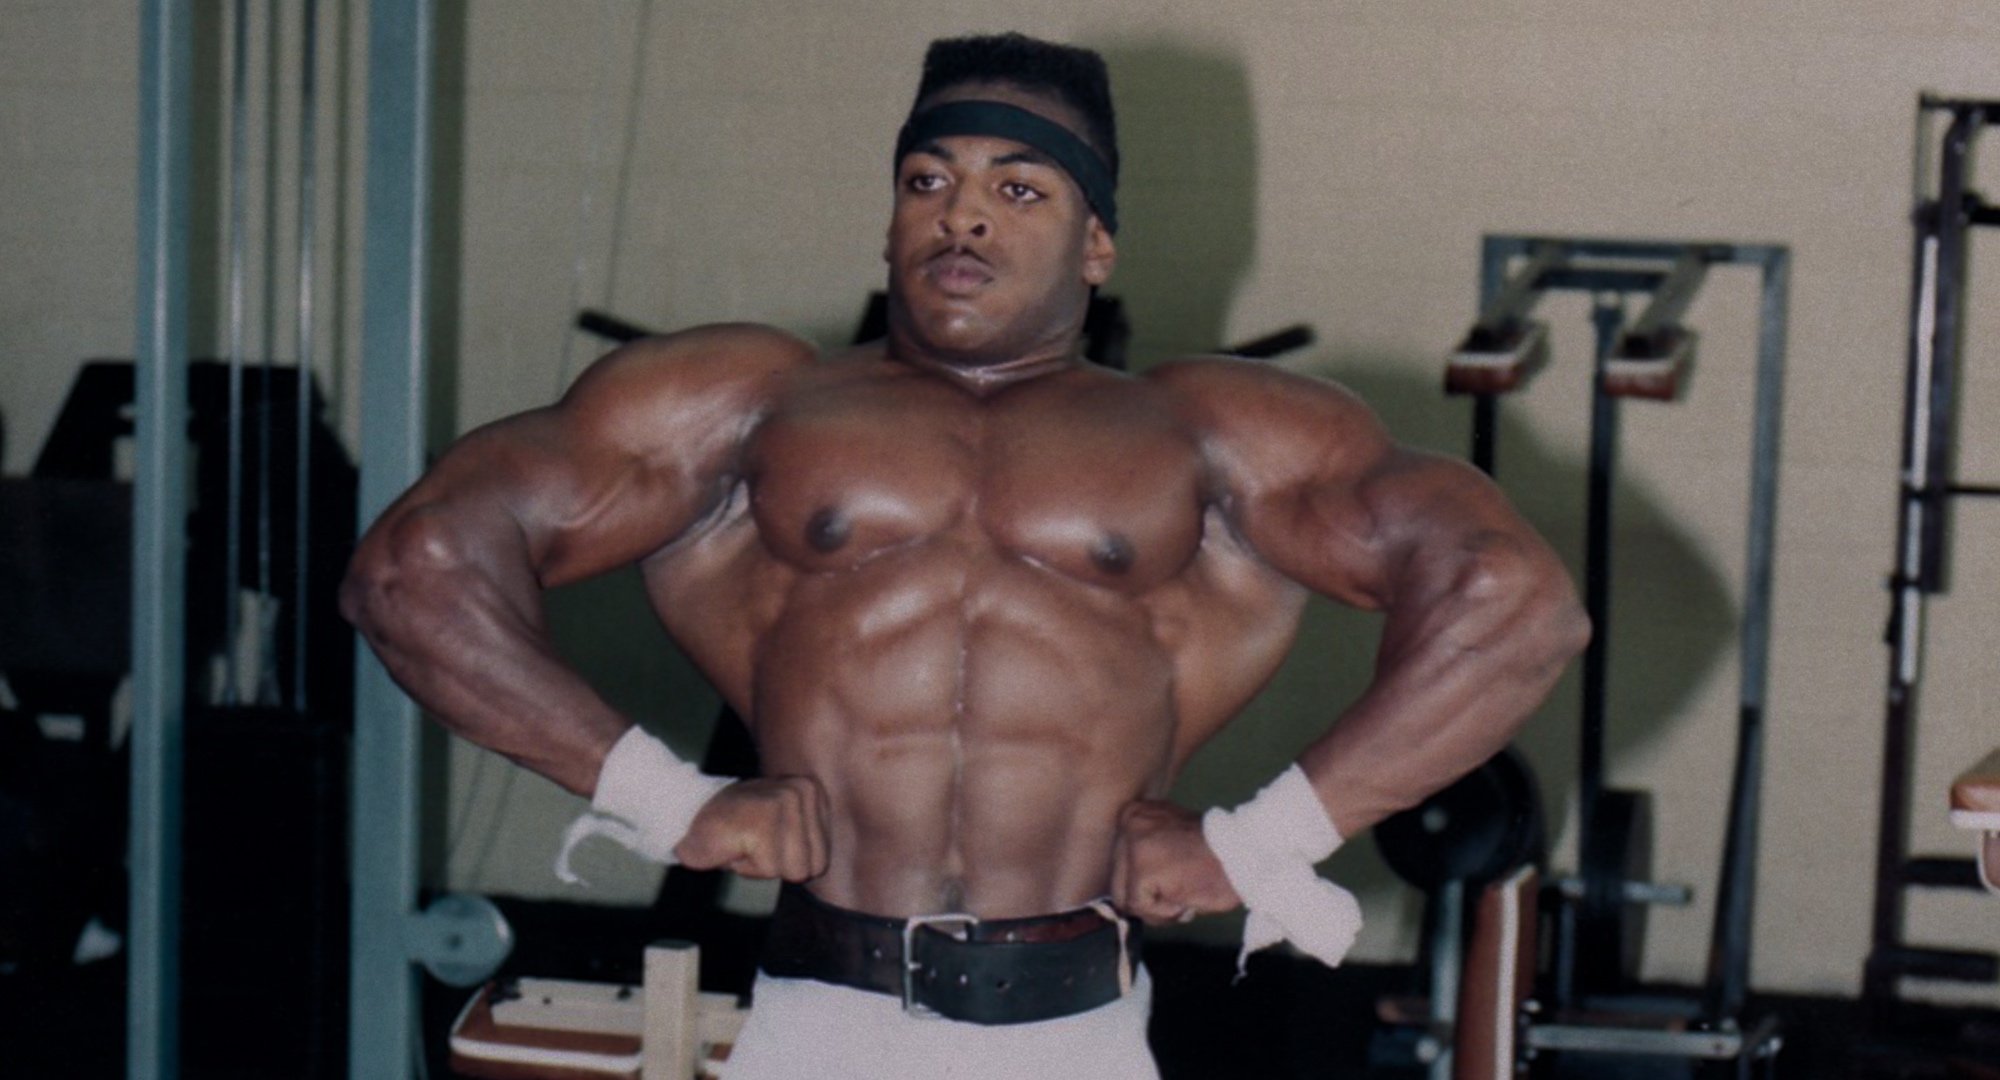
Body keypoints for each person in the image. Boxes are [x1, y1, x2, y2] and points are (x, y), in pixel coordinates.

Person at [341, 31, 1588, 1079]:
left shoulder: (1213, 436)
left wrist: (1256, 845)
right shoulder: (743, 409)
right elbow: (412, 572)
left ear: (1095, 245)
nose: (963, 214)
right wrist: (669, 801)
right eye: (926, 181)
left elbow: (1513, 605)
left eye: (1020, 189)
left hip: (1073, 1037)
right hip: (813, 1025)